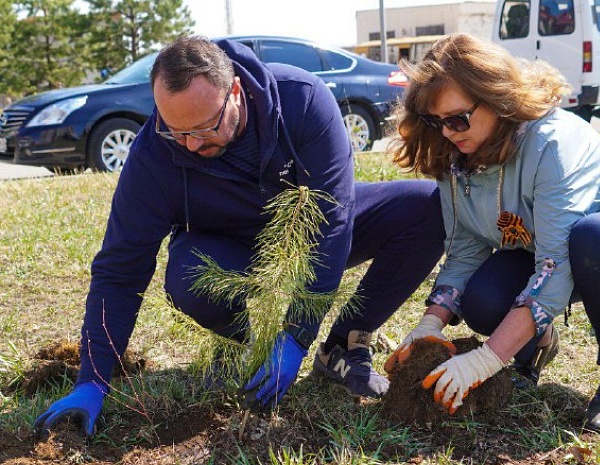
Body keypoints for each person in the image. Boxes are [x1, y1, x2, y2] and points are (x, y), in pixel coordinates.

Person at [33, 36, 445, 437]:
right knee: (188, 274)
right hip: (231, 248)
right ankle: (245, 346)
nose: (190, 145)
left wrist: (297, 336)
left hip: (309, 227)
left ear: (234, 91)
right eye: (175, 131)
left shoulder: (300, 100)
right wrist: (91, 381)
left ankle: (342, 345)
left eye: (205, 127)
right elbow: (119, 272)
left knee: (428, 207)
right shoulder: (152, 159)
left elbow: (331, 221)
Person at [384, 32, 600, 434]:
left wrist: (487, 358)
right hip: (540, 247)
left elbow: (555, 266)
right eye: (437, 122)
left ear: (494, 96)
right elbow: (465, 250)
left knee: (596, 236)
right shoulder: (458, 155)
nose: (448, 132)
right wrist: (430, 325)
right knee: (482, 300)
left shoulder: (550, 144)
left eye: (456, 119)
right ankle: (537, 342)